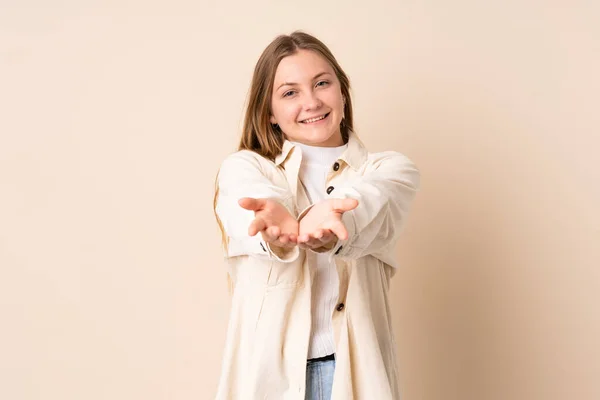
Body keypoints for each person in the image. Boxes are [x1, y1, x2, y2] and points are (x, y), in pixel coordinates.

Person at [213, 31, 420, 400]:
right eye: (290, 92)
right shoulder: (244, 169)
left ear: (342, 91)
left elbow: (367, 203)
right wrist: (275, 232)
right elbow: (256, 203)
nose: (311, 102)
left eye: (321, 83)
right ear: (269, 113)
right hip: (270, 379)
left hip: (354, 375)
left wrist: (335, 227)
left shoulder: (390, 170)